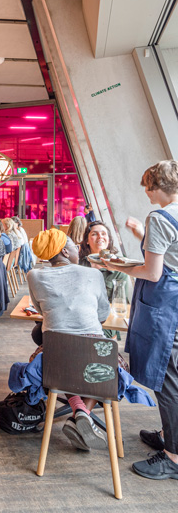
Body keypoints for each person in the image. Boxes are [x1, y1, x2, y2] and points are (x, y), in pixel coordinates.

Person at [102, 160, 178, 479]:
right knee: (172, 372)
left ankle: (173, 456)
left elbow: (152, 271)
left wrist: (115, 266)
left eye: (147, 186)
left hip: (164, 302)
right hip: (173, 299)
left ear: (156, 186)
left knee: (167, 378)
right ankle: (168, 435)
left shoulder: (159, 216)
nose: (145, 193)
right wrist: (140, 235)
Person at [28, 228, 111, 451]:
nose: (77, 248)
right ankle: (82, 414)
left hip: (56, 362)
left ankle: (78, 411)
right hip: (97, 360)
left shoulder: (34, 275)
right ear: (65, 251)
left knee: (60, 351)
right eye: (73, 246)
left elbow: (40, 309)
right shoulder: (93, 274)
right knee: (99, 355)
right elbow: (103, 314)